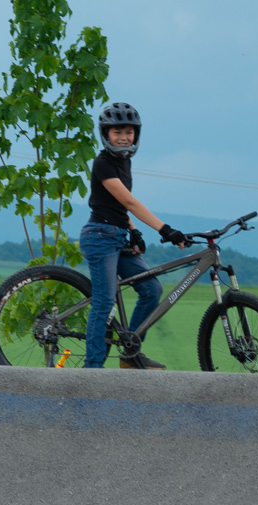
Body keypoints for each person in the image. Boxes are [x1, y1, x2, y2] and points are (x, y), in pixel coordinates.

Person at [79, 102, 188, 369]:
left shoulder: (124, 162)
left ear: (136, 135)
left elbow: (118, 206)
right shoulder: (103, 163)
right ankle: (91, 369)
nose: (124, 137)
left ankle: (130, 353)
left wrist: (134, 232)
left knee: (151, 289)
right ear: (106, 134)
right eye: (117, 132)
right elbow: (129, 202)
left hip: (117, 235)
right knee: (104, 301)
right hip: (99, 236)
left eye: (129, 131)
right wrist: (166, 230)